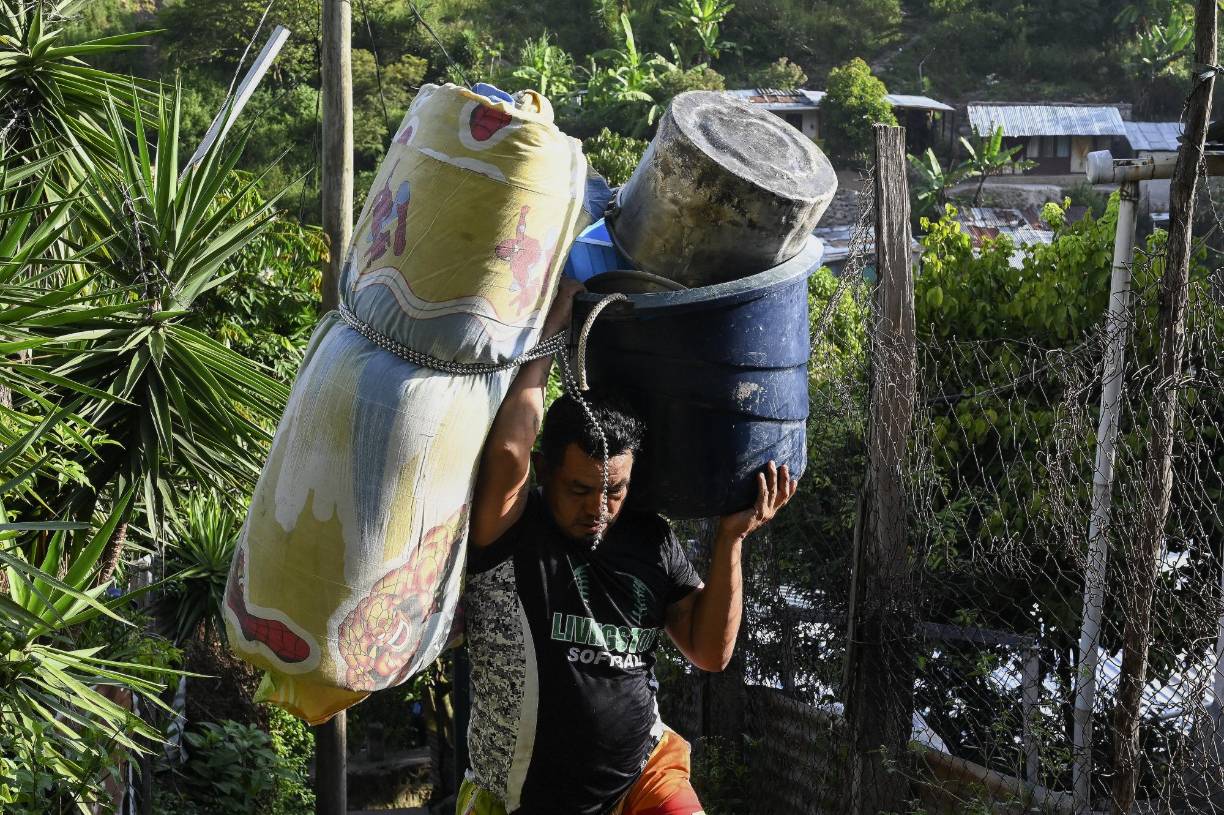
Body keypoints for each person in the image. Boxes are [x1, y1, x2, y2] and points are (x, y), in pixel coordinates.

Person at [458, 280, 798, 815]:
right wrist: (553, 331)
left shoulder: (650, 539)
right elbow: (507, 449)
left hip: (643, 774)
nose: (598, 507)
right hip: (522, 798)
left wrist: (731, 539)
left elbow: (710, 652)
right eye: (579, 489)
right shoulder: (511, 535)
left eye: (614, 490)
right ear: (545, 472)